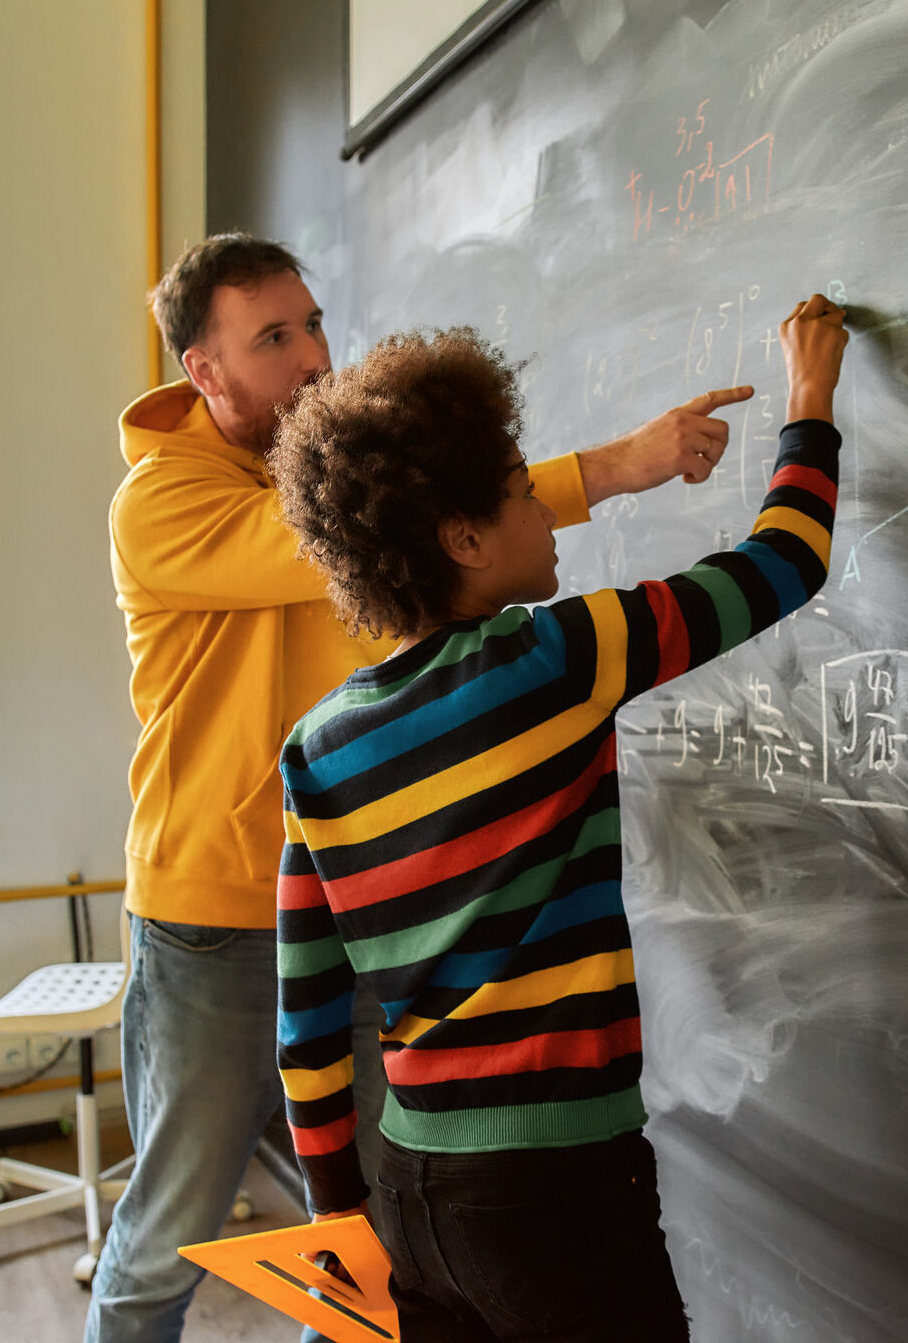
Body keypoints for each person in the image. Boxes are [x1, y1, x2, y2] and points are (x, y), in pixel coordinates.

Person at [94, 233, 744, 1343]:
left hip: (357, 911)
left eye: (312, 323)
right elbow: (312, 539)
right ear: (204, 370)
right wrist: (608, 468)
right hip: (214, 917)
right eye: (273, 337)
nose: (313, 355)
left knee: (363, 1241)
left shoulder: (328, 473)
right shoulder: (160, 501)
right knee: (169, 1228)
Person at [269, 293, 848, 1340]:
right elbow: (782, 564)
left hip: (409, 1192)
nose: (544, 512)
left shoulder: (317, 745)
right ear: (463, 538)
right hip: (554, 1193)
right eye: (519, 494)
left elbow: (306, 1027)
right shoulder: (553, 658)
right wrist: (810, 395)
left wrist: (338, 1215)